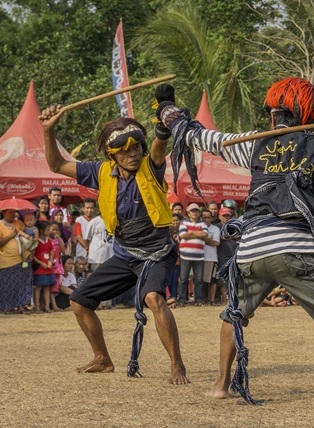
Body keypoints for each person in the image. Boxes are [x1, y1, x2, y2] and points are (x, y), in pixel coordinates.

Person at [157, 76, 314, 411]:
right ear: (310, 115)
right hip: (293, 248)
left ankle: (220, 386)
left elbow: (199, 135)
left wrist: (168, 110)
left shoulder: (254, 143)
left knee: (234, 313)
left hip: (250, 249)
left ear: (274, 112)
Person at [40, 102, 189, 385]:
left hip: (157, 253)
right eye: (125, 150)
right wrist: (49, 130)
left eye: (136, 148)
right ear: (112, 154)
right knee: (79, 301)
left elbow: (158, 147)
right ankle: (102, 359)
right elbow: (57, 164)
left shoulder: (151, 167)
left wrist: (161, 128)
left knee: (154, 298)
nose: (133, 154)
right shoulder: (99, 172)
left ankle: (177, 365)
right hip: (125, 255)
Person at [0, 208, 33, 314]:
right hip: (6, 260)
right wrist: (10, 235)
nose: (13, 214)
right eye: (10, 212)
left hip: (22, 258)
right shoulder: (0, 225)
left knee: (23, 284)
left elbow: (24, 234)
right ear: (3, 213)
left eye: (14, 212)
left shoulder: (18, 223)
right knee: (6, 285)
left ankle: (21, 306)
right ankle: (5, 307)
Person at [177, 203, 208, 306]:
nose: (195, 213)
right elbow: (182, 235)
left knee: (198, 280)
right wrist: (197, 233)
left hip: (199, 256)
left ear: (199, 213)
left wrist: (190, 232)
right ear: (188, 213)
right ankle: (182, 300)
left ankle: (198, 300)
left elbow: (205, 234)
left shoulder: (203, 223)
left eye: (196, 211)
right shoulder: (183, 222)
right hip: (185, 255)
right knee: (183, 279)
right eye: (192, 211)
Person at [201, 209, 220, 304]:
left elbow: (216, 243)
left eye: (208, 217)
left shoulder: (215, 229)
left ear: (212, 219)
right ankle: (203, 299)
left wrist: (202, 239)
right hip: (200, 257)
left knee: (212, 280)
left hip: (212, 257)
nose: (206, 219)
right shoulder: (198, 228)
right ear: (201, 218)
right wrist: (209, 240)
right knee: (201, 280)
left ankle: (212, 299)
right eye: (204, 217)